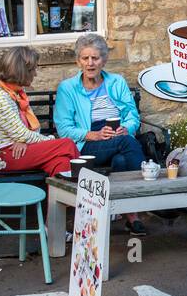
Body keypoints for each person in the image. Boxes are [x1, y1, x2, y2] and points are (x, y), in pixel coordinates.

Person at [55, 33, 148, 235]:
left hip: (118, 137)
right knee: (126, 144)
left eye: (95, 58)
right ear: (78, 61)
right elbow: (64, 129)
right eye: (85, 58)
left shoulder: (116, 82)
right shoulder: (68, 88)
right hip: (86, 145)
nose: (90, 63)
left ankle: (130, 217)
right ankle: (148, 196)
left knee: (122, 160)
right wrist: (93, 134)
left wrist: (127, 128)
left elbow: (132, 116)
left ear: (104, 60)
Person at [0, 46, 80, 177]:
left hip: (15, 150)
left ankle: (59, 197)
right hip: (1, 157)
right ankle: (88, 189)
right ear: (22, 71)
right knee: (67, 144)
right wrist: (48, 139)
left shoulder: (15, 92)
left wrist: (23, 140)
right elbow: (22, 133)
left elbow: (29, 130)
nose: (35, 74)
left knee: (61, 162)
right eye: (33, 70)